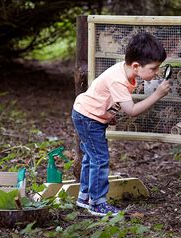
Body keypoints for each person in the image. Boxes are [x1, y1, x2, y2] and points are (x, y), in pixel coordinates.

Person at [71, 32, 171, 216]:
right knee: (100, 159)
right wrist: (156, 95)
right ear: (135, 66)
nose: (157, 72)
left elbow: (109, 99)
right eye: (154, 68)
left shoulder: (125, 73)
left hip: (89, 115)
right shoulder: (119, 80)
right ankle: (97, 203)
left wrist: (109, 114)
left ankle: (84, 197)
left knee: (90, 157)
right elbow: (132, 111)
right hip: (88, 117)